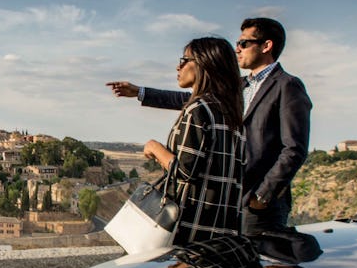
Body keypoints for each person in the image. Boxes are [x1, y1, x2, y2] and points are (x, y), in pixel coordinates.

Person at [108, 17, 312, 234]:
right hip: (229, 199)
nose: (237, 50)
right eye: (236, 44)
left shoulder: (287, 86)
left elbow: (294, 149)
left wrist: (262, 195)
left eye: (243, 43)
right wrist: (140, 92)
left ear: (266, 45)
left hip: (258, 203)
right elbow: (193, 100)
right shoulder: (239, 87)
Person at [139, 37, 246, 245]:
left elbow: (185, 172)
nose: (178, 66)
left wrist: (155, 147)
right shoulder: (232, 114)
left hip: (191, 228)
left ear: (205, 64)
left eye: (185, 60)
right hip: (224, 229)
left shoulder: (198, 109)